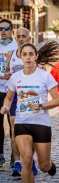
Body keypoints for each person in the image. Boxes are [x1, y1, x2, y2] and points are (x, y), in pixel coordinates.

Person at [1, 42, 59, 183]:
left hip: (41, 123)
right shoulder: (15, 77)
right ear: (20, 57)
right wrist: (5, 106)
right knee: (26, 160)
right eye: (24, 54)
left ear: (35, 56)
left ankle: (49, 166)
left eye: (30, 54)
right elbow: (9, 97)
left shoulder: (44, 76)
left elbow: (57, 100)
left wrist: (42, 106)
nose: (28, 57)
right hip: (22, 123)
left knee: (42, 165)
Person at [6, 27, 37, 177]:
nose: (20, 38)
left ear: (29, 38)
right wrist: (7, 75)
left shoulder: (35, 54)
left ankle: (30, 160)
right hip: (15, 97)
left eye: (23, 36)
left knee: (29, 130)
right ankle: (17, 163)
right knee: (14, 128)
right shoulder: (11, 54)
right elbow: (7, 71)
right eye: (18, 36)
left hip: (30, 96)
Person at [0, 18, 18, 167]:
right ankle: (0, 155)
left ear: (12, 30)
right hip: (0, 88)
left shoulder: (17, 45)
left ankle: (14, 155)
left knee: (14, 123)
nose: (3, 32)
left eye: (6, 29)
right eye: (1, 29)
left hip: (14, 90)